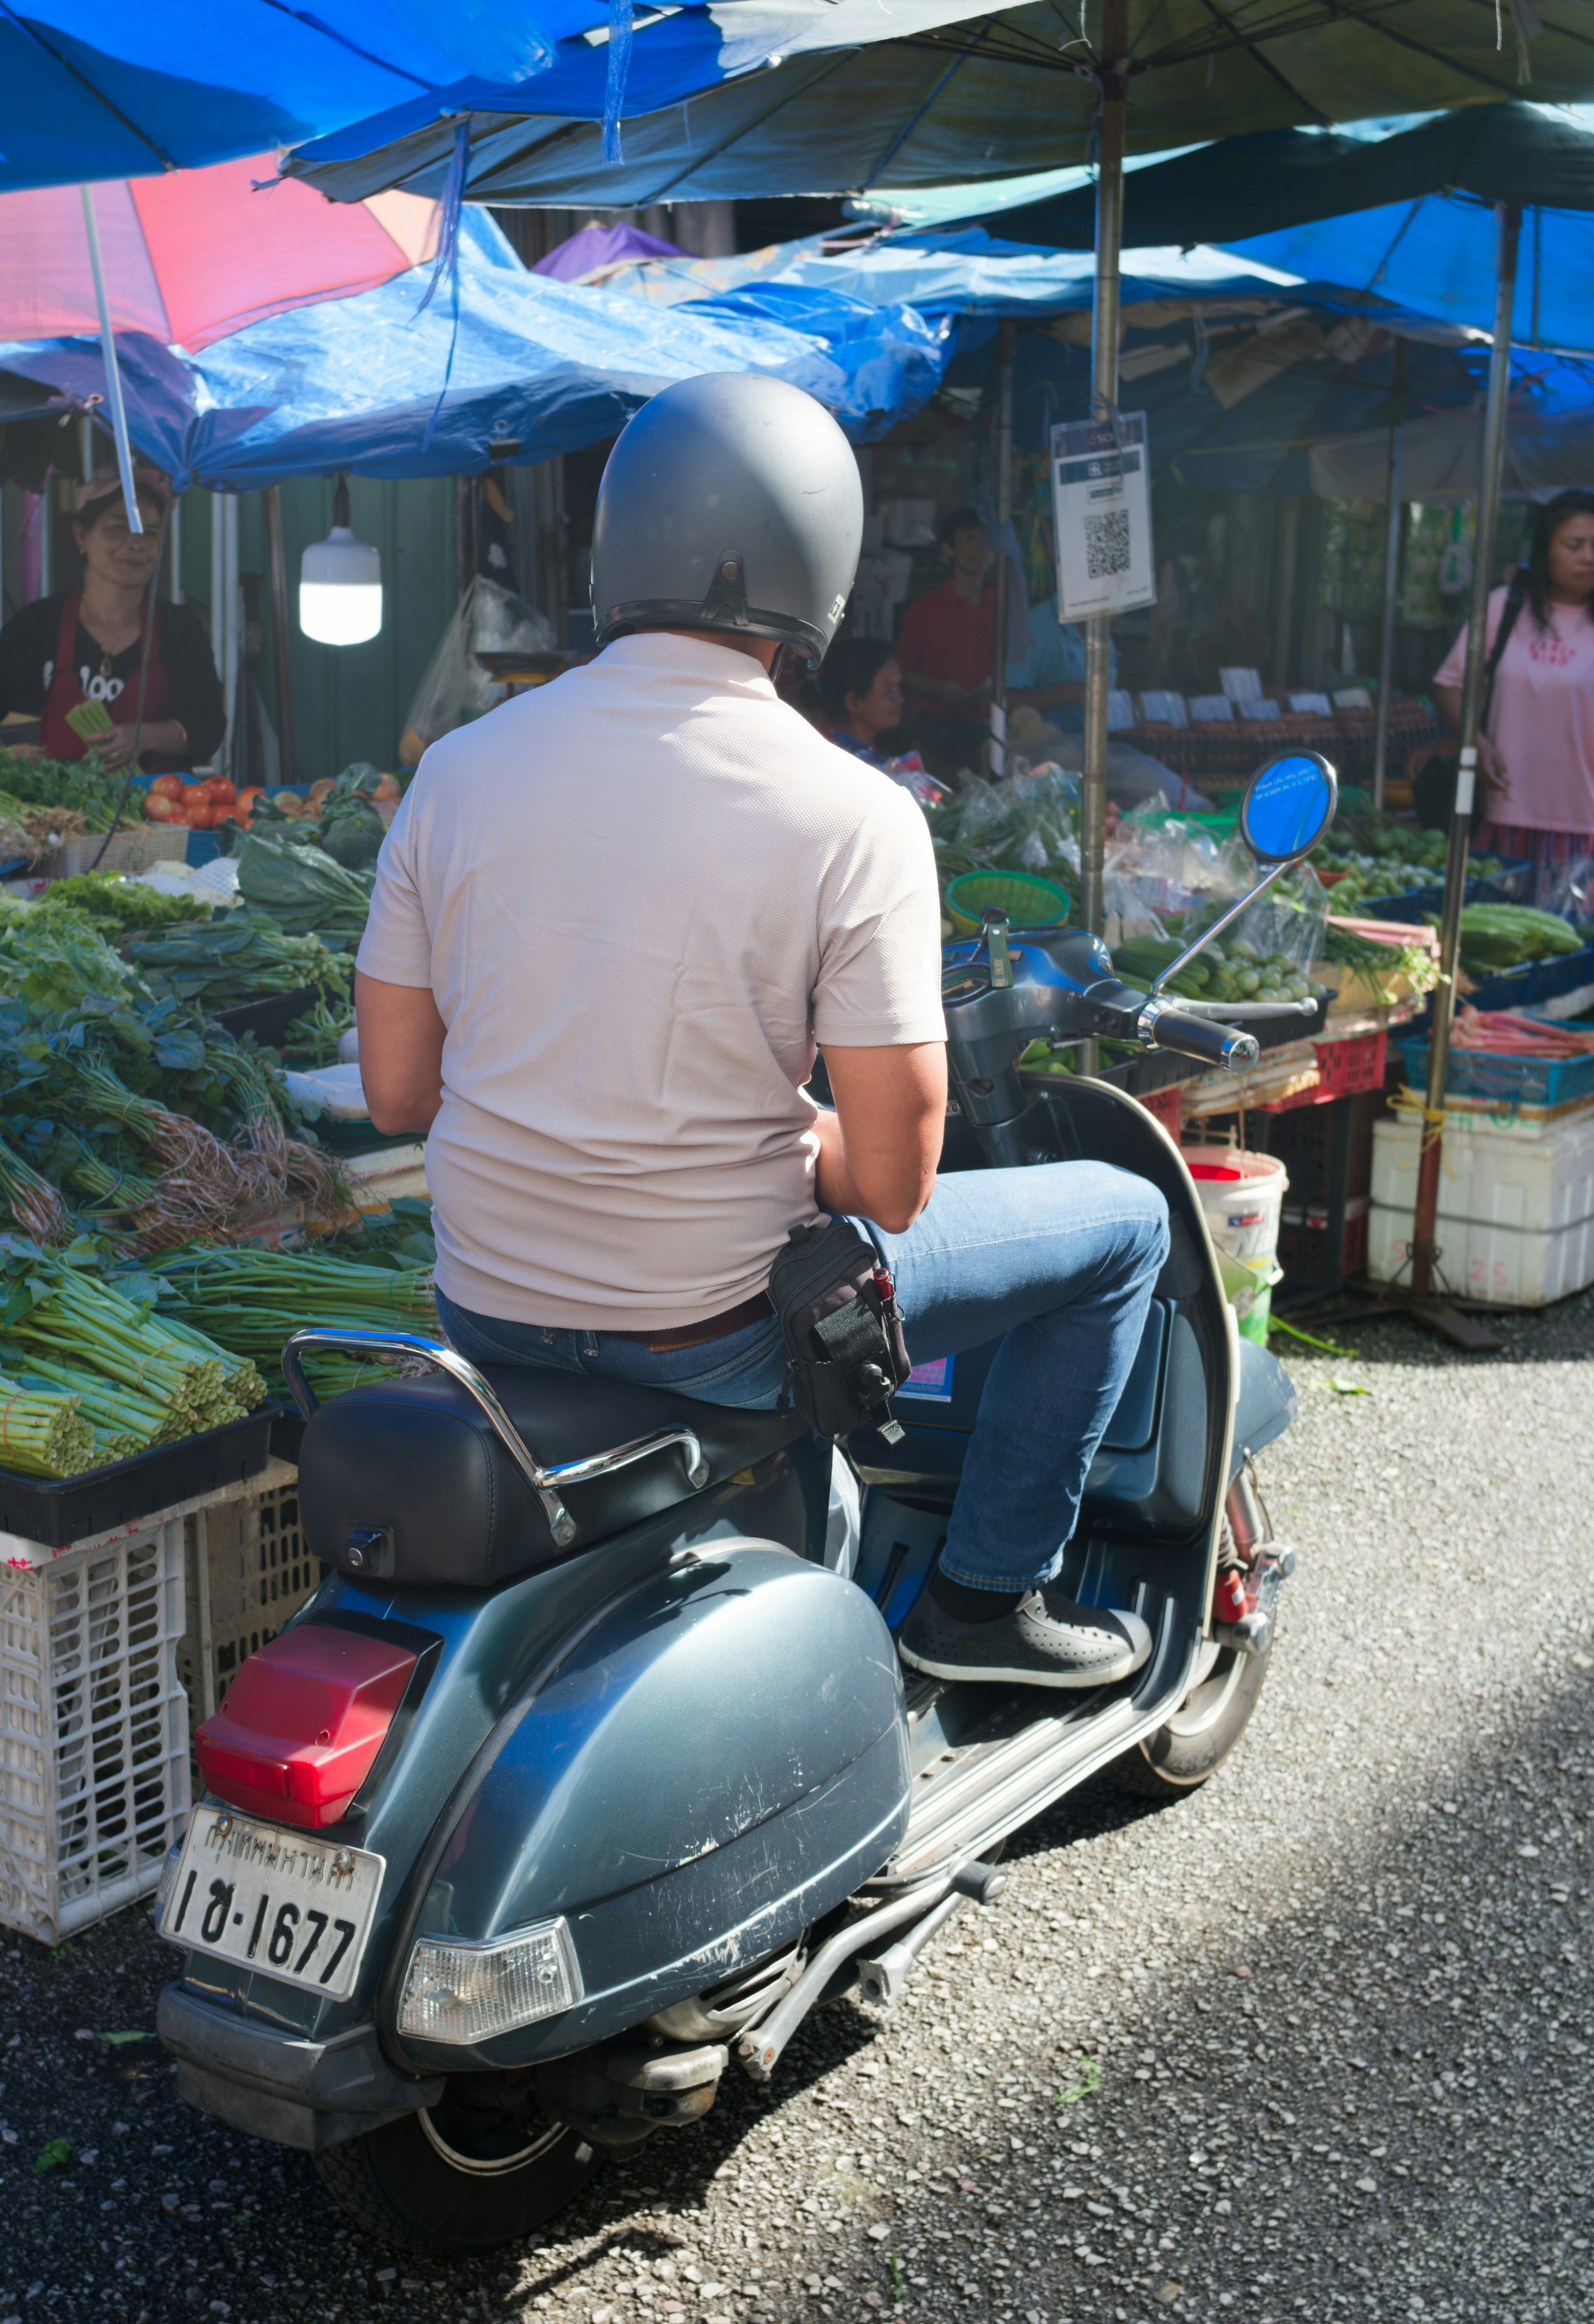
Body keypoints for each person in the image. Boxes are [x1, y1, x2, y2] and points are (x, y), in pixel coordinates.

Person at [355, 373, 1171, 1689]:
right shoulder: (854, 814)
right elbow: (896, 1187)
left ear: (616, 552)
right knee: (1125, 1225)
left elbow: (397, 1092)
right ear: (820, 571)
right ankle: (983, 1599)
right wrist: (802, 1143)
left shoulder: (454, 773)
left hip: (487, 1314)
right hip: (718, 1334)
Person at [1431, 490, 1594, 916]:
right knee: (1486, 940)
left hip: (1578, 823)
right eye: (1574, 545)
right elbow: (1448, 686)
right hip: (1499, 813)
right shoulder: (1504, 608)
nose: (1589, 557)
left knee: (1561, 945)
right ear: (1545, 550)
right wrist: (1475, 744)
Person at [0, 468, 225, 774]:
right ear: (81, 535)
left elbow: (208, 727)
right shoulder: (41, 623)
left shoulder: (179, 629)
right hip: (65, 802)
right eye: (118, 528)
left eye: (150, 533)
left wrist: (144, 737)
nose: (136, 543)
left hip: (159, 802)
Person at [891, 510, 1074, 778]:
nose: (979, 547)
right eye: (969, 538)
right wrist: (939, 689)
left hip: (988, 728)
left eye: (985, 539)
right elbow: (902, 671)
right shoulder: (925, 610)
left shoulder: (1008, 609)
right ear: (949, 549)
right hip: (933, 727)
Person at [805, 629, 906, 761]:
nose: (900, 699)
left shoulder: (870, 750)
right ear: (854, 702)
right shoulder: (822, 754)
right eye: (889, 691)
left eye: (898, 688)